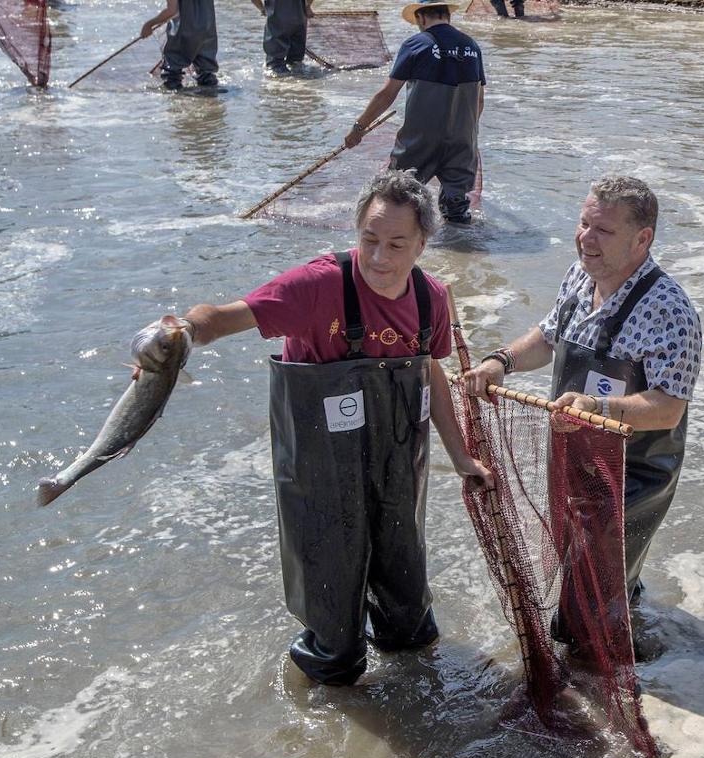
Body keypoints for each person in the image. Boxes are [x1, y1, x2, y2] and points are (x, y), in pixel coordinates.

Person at [134, 170, 492, 685]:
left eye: (396, 244)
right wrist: (176, 337)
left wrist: (461, 458)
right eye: (369, 240)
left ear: (422, 243)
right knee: (332, 603)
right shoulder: (317, 285)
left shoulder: (431, 296)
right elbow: (219, 318)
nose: (379, 258)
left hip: (397, 461)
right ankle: (324, 693)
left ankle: (413, 677)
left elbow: (430, 372)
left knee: (407, 603)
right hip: (318, 463)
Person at [463, 175, 702, 648]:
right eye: (583, 223)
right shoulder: (582, 275)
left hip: (634, 476)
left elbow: (669, 409)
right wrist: (502, 361)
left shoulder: (671, 311)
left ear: (642, 238)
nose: (585, 239)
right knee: (602, 575)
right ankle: (634, 625)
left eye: (602, 231)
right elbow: (549, 337)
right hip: (573, 459)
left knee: (582, 606)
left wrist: (598, 406)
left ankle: (606, 674)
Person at [342, 0, 484, 225]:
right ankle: (459, 254)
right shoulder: (472, 47)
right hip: (462, 142)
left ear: (420, 17)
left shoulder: (416, 45)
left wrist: (359, 128)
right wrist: (467, 136)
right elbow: (479, 101)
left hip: (419, 141)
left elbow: (386, 94)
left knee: (394, 198)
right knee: (456, 214)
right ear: (448, 14)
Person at [141, 0, 218, 90]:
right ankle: (210, 97)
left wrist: (149, 25)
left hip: (182, 32)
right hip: (207, 30)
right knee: (206, 73)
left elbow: (172, 11)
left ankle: (178, 97)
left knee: (172, 74)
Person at [250, 0, 311, 75]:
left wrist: (262, 9)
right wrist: (307, 6)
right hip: (299, 20)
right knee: (296, 63)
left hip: (277, 23)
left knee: (275, 67)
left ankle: (279, 81)